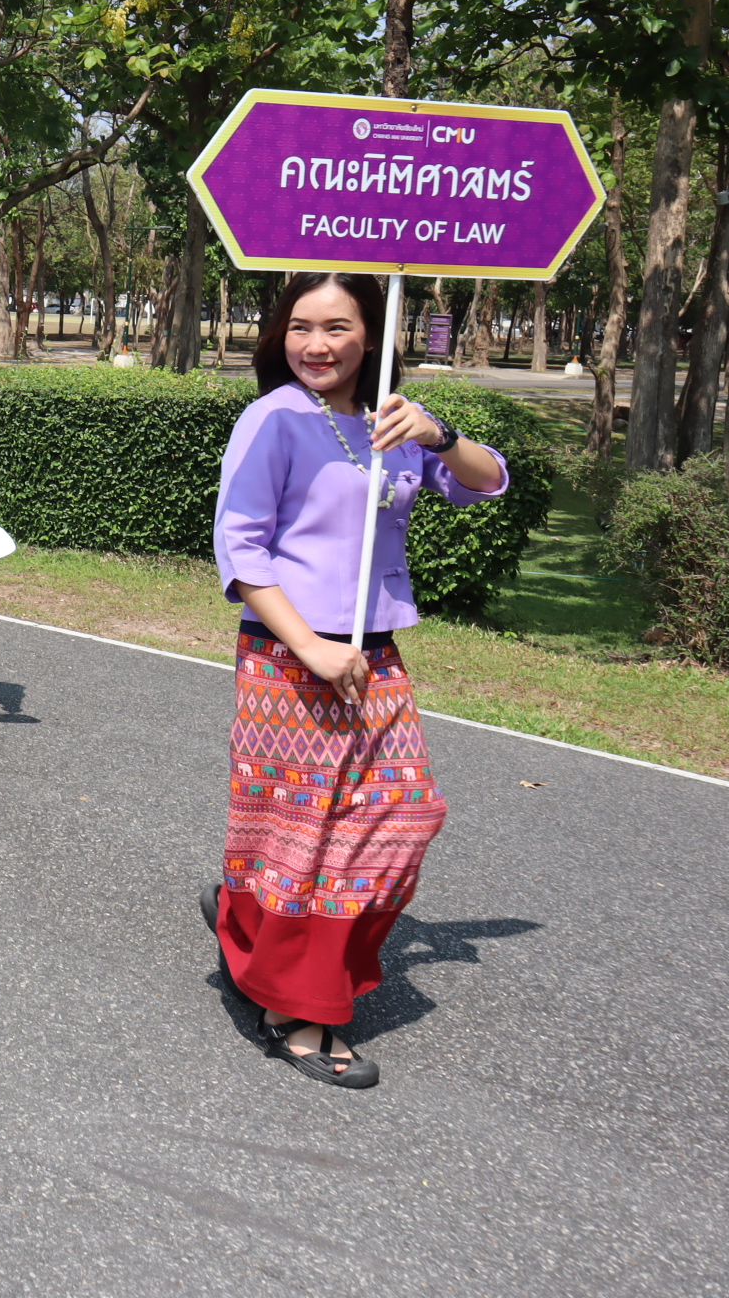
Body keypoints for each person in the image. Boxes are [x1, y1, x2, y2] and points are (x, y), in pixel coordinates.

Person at [208, 271, 511, 1088]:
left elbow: (486, 482)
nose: (317, 344)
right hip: (289, 658)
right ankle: (297, 1005)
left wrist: (439, 435)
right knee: (303, 835)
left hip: (374, 656)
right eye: (301, 326)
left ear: (370, 335)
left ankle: (244, 919)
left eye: (337, 327)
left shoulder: (394, 424)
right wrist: (311, 648)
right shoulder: (270, 420)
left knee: (399, 818)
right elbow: (242, 548)